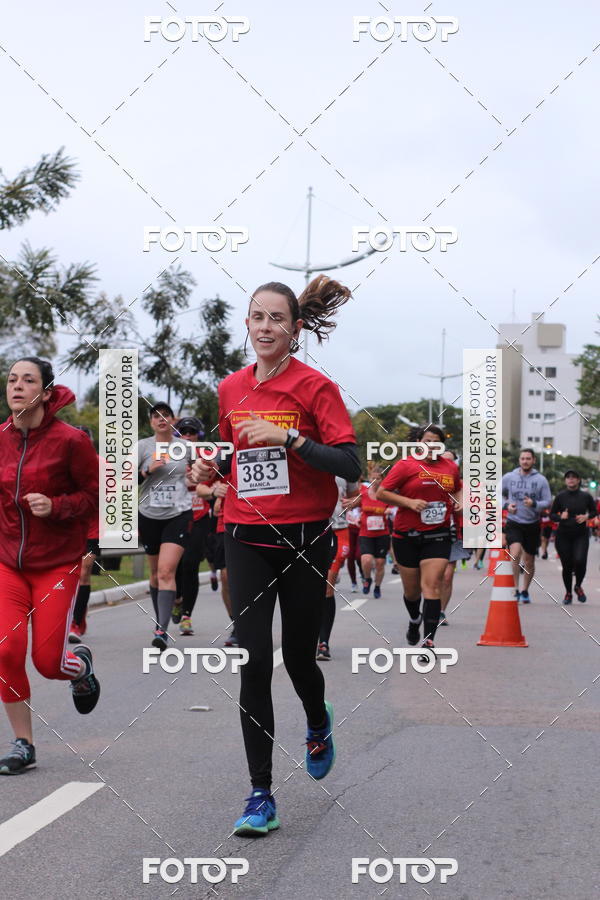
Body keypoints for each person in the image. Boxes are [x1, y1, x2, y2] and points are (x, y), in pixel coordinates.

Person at [192, 275, 360, 836]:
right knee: (253, 660)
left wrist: (288, 440)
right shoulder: (230, 387)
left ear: (295, 328)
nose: (265, 327)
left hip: (306, 538)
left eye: (277, 319)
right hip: (245, 535)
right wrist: (209, 471)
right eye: (257, 317)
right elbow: (229, 452)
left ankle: (317, 719)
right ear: (248, 324)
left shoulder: (316, 388)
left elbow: (349, 466)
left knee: (299, 658)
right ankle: (260, 794)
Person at [0, 358, 100, 774]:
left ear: (44, 393)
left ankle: (80, 669)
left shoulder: (71, 441)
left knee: (47, 662)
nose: (17, 386)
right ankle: (23, 743)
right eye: (11, 380)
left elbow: (96, 497)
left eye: (28, 380)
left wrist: (55, 506)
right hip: (6, 562)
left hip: (56, 563)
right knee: (5, 650)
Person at [376, 425, 462, 655]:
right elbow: (382, 492)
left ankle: (429, 641)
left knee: (432, 585)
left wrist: (459, 501)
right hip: (407, 536)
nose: (430, 445)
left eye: (435, 441)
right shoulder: (406, 465)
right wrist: (409, 503)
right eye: (426, 440)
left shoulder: (450, 467)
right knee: (412, 592)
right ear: (418, 443)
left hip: (438, 534)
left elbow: (459, 488)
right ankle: (415, 619)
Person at [137, 402, 193, 650]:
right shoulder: (142, 447)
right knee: (155, 573)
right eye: (156, 416)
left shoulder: (185, 447)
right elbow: (123, 479)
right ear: (151, 422)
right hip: (148, 514)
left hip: (178, 513)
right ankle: (163, 613)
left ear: (173, 420)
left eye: (166, 416)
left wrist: (201, 472)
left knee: (166, 571)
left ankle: (161, 629)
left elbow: (201, 471)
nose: (161, 420)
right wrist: (147, 471)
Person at [172, 417, 211, 636]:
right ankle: (177, 598)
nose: (188, 436)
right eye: (183, 432)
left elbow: (216, 481)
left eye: (192, 432)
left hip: (199, 516)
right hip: (175, 516)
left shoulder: (206, 458)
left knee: (190, 564)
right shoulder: (168, 456)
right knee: (175, 566)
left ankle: (187, 615)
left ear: (199, 436)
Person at [317, 476, 359, 661]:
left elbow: (355, 496)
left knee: (327, 585)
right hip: (310, 528)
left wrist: (354, 502)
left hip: (338, 529)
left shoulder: (343, 465)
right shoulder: (302, 456)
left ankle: (323, 642)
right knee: (309, 588)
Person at [501, 448, 551, 603]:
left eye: (528, 458)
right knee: (514, 554)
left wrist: (534, 503)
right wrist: (506, 506)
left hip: (532, 524)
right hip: (514, 521)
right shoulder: (509, 477)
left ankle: (525, 590)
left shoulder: (541, 480)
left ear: (534, 460)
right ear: (519, 460)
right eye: (523, 458)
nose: (525, 461)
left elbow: (547, 501)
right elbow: (497, 495)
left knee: (529, 560)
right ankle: (515, 589)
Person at [69, 425, 100, 643]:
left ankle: (76, 623)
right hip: (68, 529)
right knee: (69, 577)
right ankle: (78, 613)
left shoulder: (102, 465)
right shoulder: (61, 463)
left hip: (94, 528)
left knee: (84, 571)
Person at [550, 470, 596, 604]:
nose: (570, 480)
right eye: (568, 477)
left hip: (580, 535)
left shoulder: (586, 496)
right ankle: (568, 593)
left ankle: (578, 586)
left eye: (574, 478)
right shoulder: (560, 496)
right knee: (567, 565)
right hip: (563, 535)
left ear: (578, 480)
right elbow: (552, 515)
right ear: (565, 481)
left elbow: (594, 511)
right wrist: (560, 517)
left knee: (580, 560)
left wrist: (586, 516)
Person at [439, 449, 469, 626]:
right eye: (445, 460)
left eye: (452, 462)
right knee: (432, 576)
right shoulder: (429, 480)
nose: (448, 464)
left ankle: (441, 611)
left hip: (452, 534)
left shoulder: (460, 486)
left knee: (447, 576)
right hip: (429, 534)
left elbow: (468, 510)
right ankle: (428, 606)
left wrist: (460, 506)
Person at [358, 466, 390, 598]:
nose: (375, 481)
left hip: (382, 533)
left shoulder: (386, 494)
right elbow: (354, 505)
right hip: (366, 533)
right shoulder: (363, 492)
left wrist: (389, 511)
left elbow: (394, 508)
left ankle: (377, 586)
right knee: (366, 560)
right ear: (369, 478)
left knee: (380, 563)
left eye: (378, 478)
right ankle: (367, 579)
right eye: (372, 478)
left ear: (382, 480)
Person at [345, 504, 362, 591]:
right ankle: (354, 582)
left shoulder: (361, 496)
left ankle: (363, 573)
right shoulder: (345, 499)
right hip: (348, 530)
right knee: (350, 556)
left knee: (358, 556)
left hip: (361, 530)